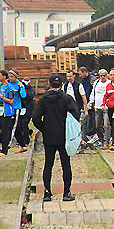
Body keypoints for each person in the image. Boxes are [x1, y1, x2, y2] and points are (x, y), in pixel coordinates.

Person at [33, 74, 79, 202]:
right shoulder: (66, 98)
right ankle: (66, 193)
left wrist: (44, 128)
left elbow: (35, 117)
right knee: (66, 164)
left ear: (49, 84)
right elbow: (75, 114)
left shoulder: (43, 99)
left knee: (48, 164)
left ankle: (47, 193)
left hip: (49, 136)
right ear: (61, 85)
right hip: (64, 136)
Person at [0, 71, 24, 156]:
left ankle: (4, 149)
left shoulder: (10, 88)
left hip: (7, 111)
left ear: (4, 77)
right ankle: (4, 144)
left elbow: (11, 101)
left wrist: (1, 97)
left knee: (5, 130)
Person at [88, 69, 110, 148]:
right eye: (101, 76)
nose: (102, 77)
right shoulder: (96, 83)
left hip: (106, 107)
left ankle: (106, 142)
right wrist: (91, 102)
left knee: (106, 125)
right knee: (97, 126)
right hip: (97, 106)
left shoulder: (109, 83)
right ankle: (101, 139)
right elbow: (93, 93)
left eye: (104, 75)